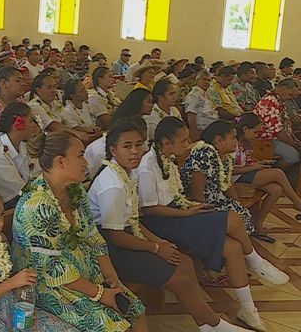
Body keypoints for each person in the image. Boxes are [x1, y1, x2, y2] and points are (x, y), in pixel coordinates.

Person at [88, 118, 253, 332]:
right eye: (127, 146)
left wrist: (158, 241)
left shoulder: (125, 174)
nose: (135, 151)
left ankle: (206, 323)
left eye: (139, 145)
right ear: (113, 150)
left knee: (184, 262)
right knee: (179, 279)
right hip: (110, 249)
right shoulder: (113, 185)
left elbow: (133, 222)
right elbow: (115, 235)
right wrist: (156, 248)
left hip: (127, 235)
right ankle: (213, 325)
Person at [138, 116, 288, 330]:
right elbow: (149, 209)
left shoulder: (167, 159)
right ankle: (256, 262)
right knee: (232, 219)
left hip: (179, 210)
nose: (187, 144)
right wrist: (188, 212)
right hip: (163, 220)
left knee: (233, 247)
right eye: (182, 141)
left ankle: (247, 309)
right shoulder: (147, 166)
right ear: (166, 142)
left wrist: (189, 208)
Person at [12, 130, 148, 331]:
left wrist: (111, 277)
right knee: (111, 324)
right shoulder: (36, 205)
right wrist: (99, 293)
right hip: (49, 287)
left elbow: (92, 235)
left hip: (84, 275)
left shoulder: (74, 190)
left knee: (134, 309)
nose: (86, 162)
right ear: (60, 162)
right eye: (80, 155)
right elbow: (52, 269)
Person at [0, 185, 77, 332]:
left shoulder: (0, 239)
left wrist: (23, 293)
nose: (1, 223)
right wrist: (12, 283)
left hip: (14, 310)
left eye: (2, 215)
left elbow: (10, 276)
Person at [181, 121, 259, 238]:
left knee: (243, 214)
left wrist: (236, 203)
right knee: (237, 220)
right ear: (219, 140)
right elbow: (197, 190)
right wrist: (203, 214)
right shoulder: (204, 154)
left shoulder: (225, 155)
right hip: (201, 201)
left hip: (216, 196)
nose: (236, 142)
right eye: (233, 138)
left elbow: (228, 182)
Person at [234, 113, 301, 222]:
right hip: (237, 178)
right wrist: (255, 167)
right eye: (255, 132)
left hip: (245, 172)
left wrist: (261, 163)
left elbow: (246, 160)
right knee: (277, 173)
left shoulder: (247, 143)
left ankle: (257, 223)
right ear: (245, 129)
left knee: (276, 190)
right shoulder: (233, 144)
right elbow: (231, 170)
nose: (256, 136)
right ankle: (297, 202)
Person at [0, 103, 40, 208]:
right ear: (18, 124)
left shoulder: (24, 146)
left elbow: (38, 175)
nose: (35, 125)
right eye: (31, 120)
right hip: (5, 207)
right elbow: (21, 191)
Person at [253, 78, 301, 166]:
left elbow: (286, 125)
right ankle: (272, 172)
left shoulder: (278, 100)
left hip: (276, 137)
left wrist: (294, 140)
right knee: (293, 156)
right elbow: (278, 130)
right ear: (283, 89)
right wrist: (292, 144)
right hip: (266, 140)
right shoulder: (269, 103)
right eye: (290, 94)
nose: (290, 98)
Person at [185, 71, 219, 142]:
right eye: (204, 79)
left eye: (208, 80)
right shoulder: (194, 95)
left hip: (212, 129)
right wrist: (194, 134)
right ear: (197, 80)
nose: (206, 82)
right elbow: (191, 115)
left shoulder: (206, 95)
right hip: (202, 132)